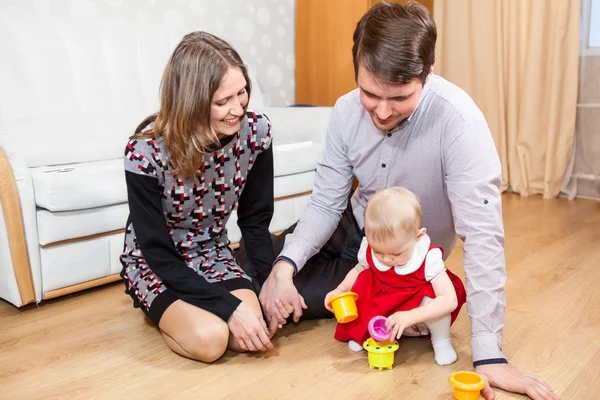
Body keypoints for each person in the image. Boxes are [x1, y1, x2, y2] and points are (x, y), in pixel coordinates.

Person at [257, 2, 557, 399]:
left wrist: (488, 355)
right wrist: (284, 267)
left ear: (428, 71)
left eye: (399, 97)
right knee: (255, 271)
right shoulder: (347, 112)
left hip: (398, 259)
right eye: (369, 93)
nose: (382, 111)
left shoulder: (459, 123)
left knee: (295, 304)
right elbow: (327, 203)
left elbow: (482, 238)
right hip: (353, 225)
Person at [119, 31, 275, 363]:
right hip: (157, 264)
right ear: (192, 100)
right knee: (211, 341)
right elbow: (156, 251)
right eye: (223, 101)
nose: (238, 108)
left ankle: (191, 311)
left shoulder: (256, 133)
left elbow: (255, 220)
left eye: (242, 92)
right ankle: (168, 311)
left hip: (211, 253)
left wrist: (265, 286)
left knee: (254, 329)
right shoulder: (145, 152)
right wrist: (229, 308)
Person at [324, 187, 467, 366]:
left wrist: (411, 316)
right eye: (378, 251)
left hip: (416, 311)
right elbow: (358, 270)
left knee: (433, 301)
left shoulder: (427, 257)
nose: (386, 259)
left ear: (418, 236)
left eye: (397, 253)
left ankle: (441, 341)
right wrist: (340, 289)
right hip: (386, 301)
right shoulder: (370, 246)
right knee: (363, 282)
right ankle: (367, 333)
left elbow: (449, 300)